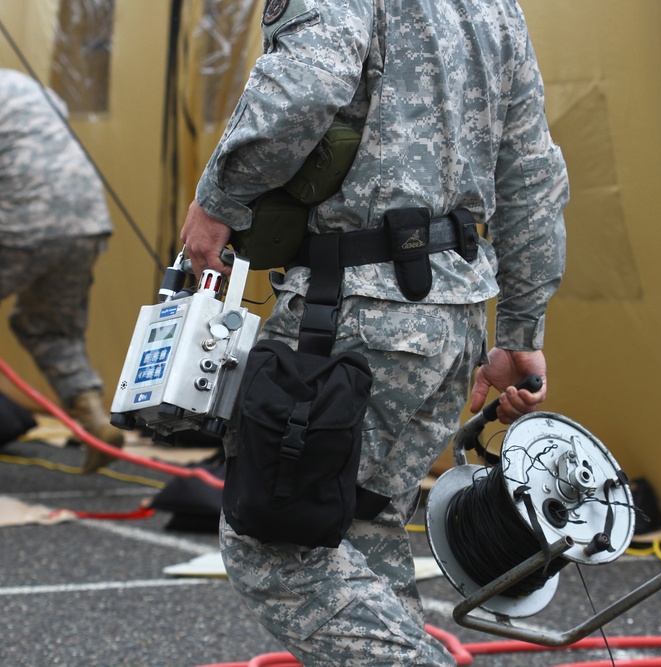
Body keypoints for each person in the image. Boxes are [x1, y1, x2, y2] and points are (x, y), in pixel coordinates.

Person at [180, 0, 568, 663]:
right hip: (453, 319)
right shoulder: (495, 6)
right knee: (360, 528)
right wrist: (520, 330)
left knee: (274, 547)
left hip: (356, 312)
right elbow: (531, 172)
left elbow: (307, 84)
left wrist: (220, 198)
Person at [0, 54, 125, 498]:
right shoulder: (24, 83)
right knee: (48, 327)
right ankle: (96, 422)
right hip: (86, 221)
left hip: (21, 226)